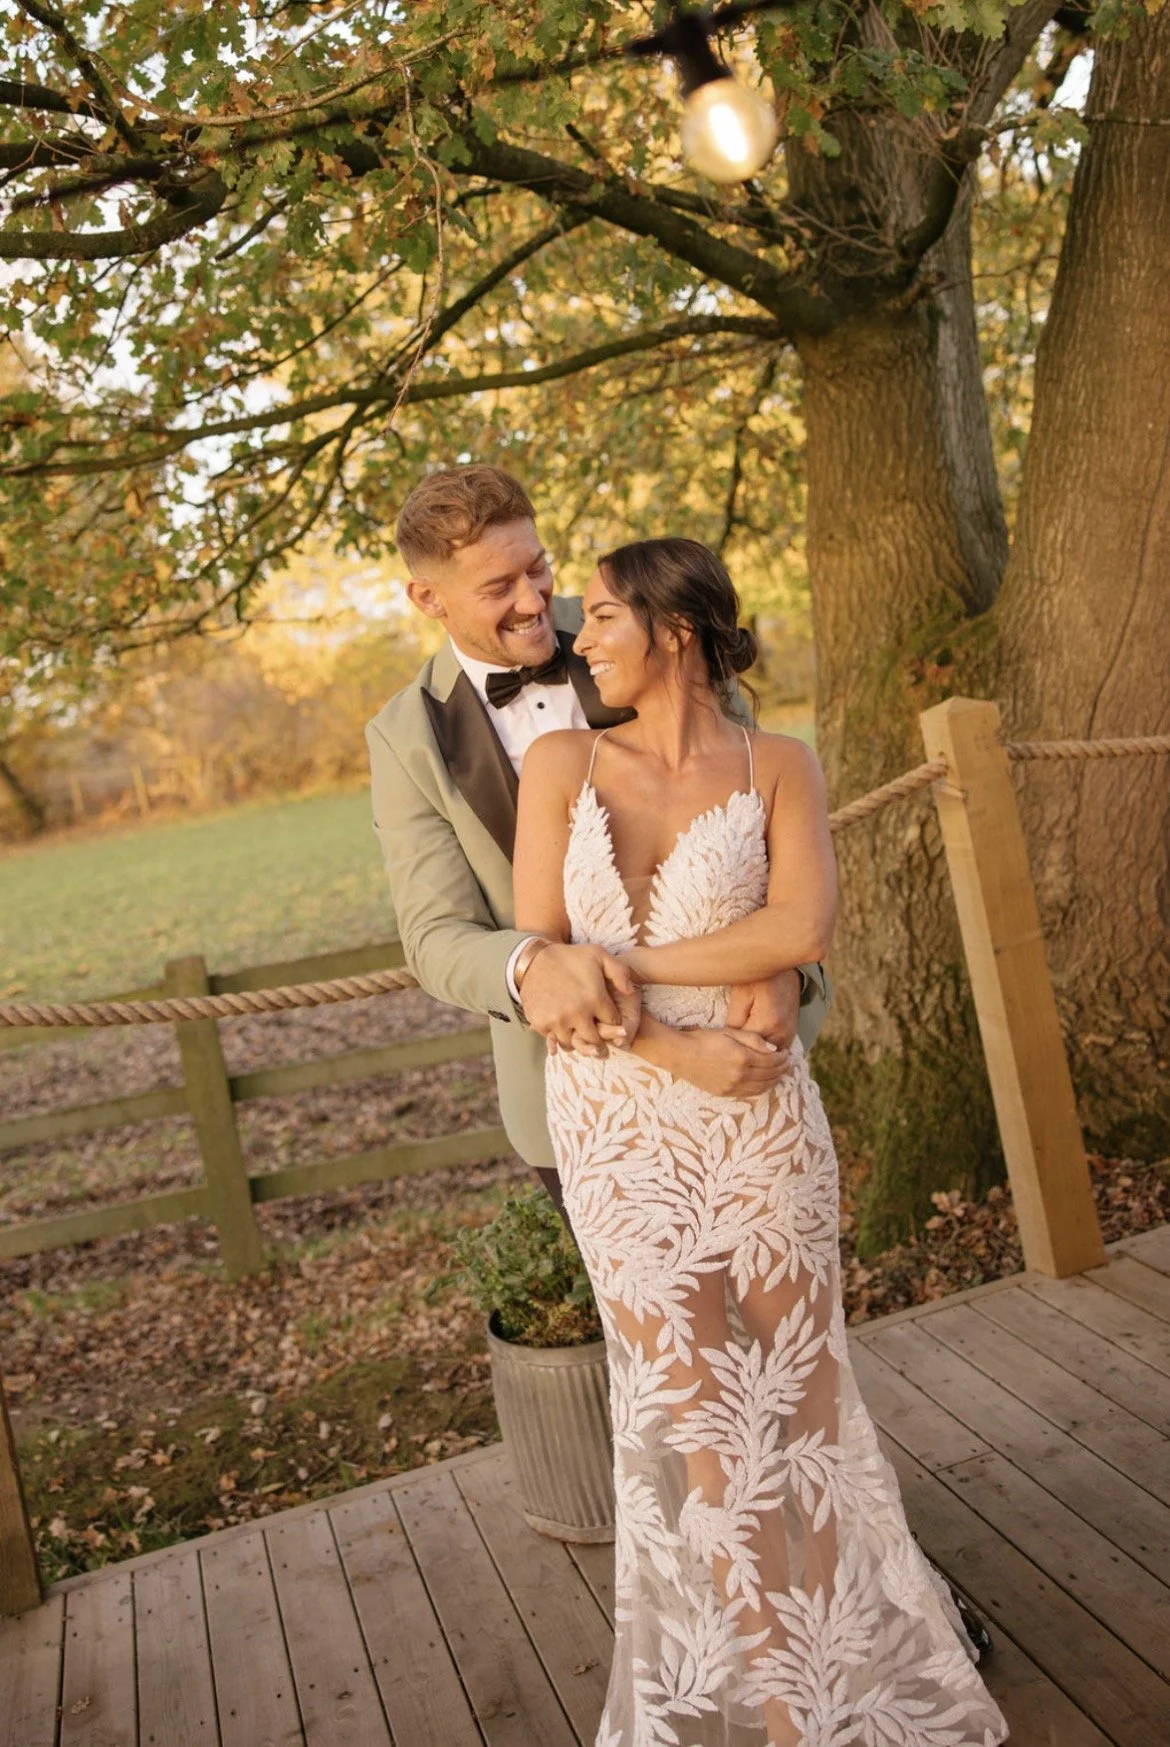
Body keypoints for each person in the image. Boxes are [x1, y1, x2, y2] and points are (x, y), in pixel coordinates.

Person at [512, 537, 1007, 1747]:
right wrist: (678, 999)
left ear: (675, 630)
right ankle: (791, 1715)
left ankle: (834, 1673)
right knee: (698, 1413)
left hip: (762, 1117)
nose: (582, 636)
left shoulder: (778, 761)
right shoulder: (559, 764)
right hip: (619, 1120)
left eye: (608, 616)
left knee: (800, 1395)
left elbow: (801, 920)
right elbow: (545, 968)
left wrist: (633, 962)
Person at [366, 466, 830, 1234]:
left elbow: (763, 814)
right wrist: (531, 966)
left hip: (745, 1047)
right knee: (664, 1335)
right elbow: (434, 936)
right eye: (498, 586)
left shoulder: (645, 623)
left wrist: (787, 965)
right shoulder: (404, 737)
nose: (534, 599)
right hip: (578, 1078)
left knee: (785, 1307)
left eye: (538, 566)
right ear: (428, 598)